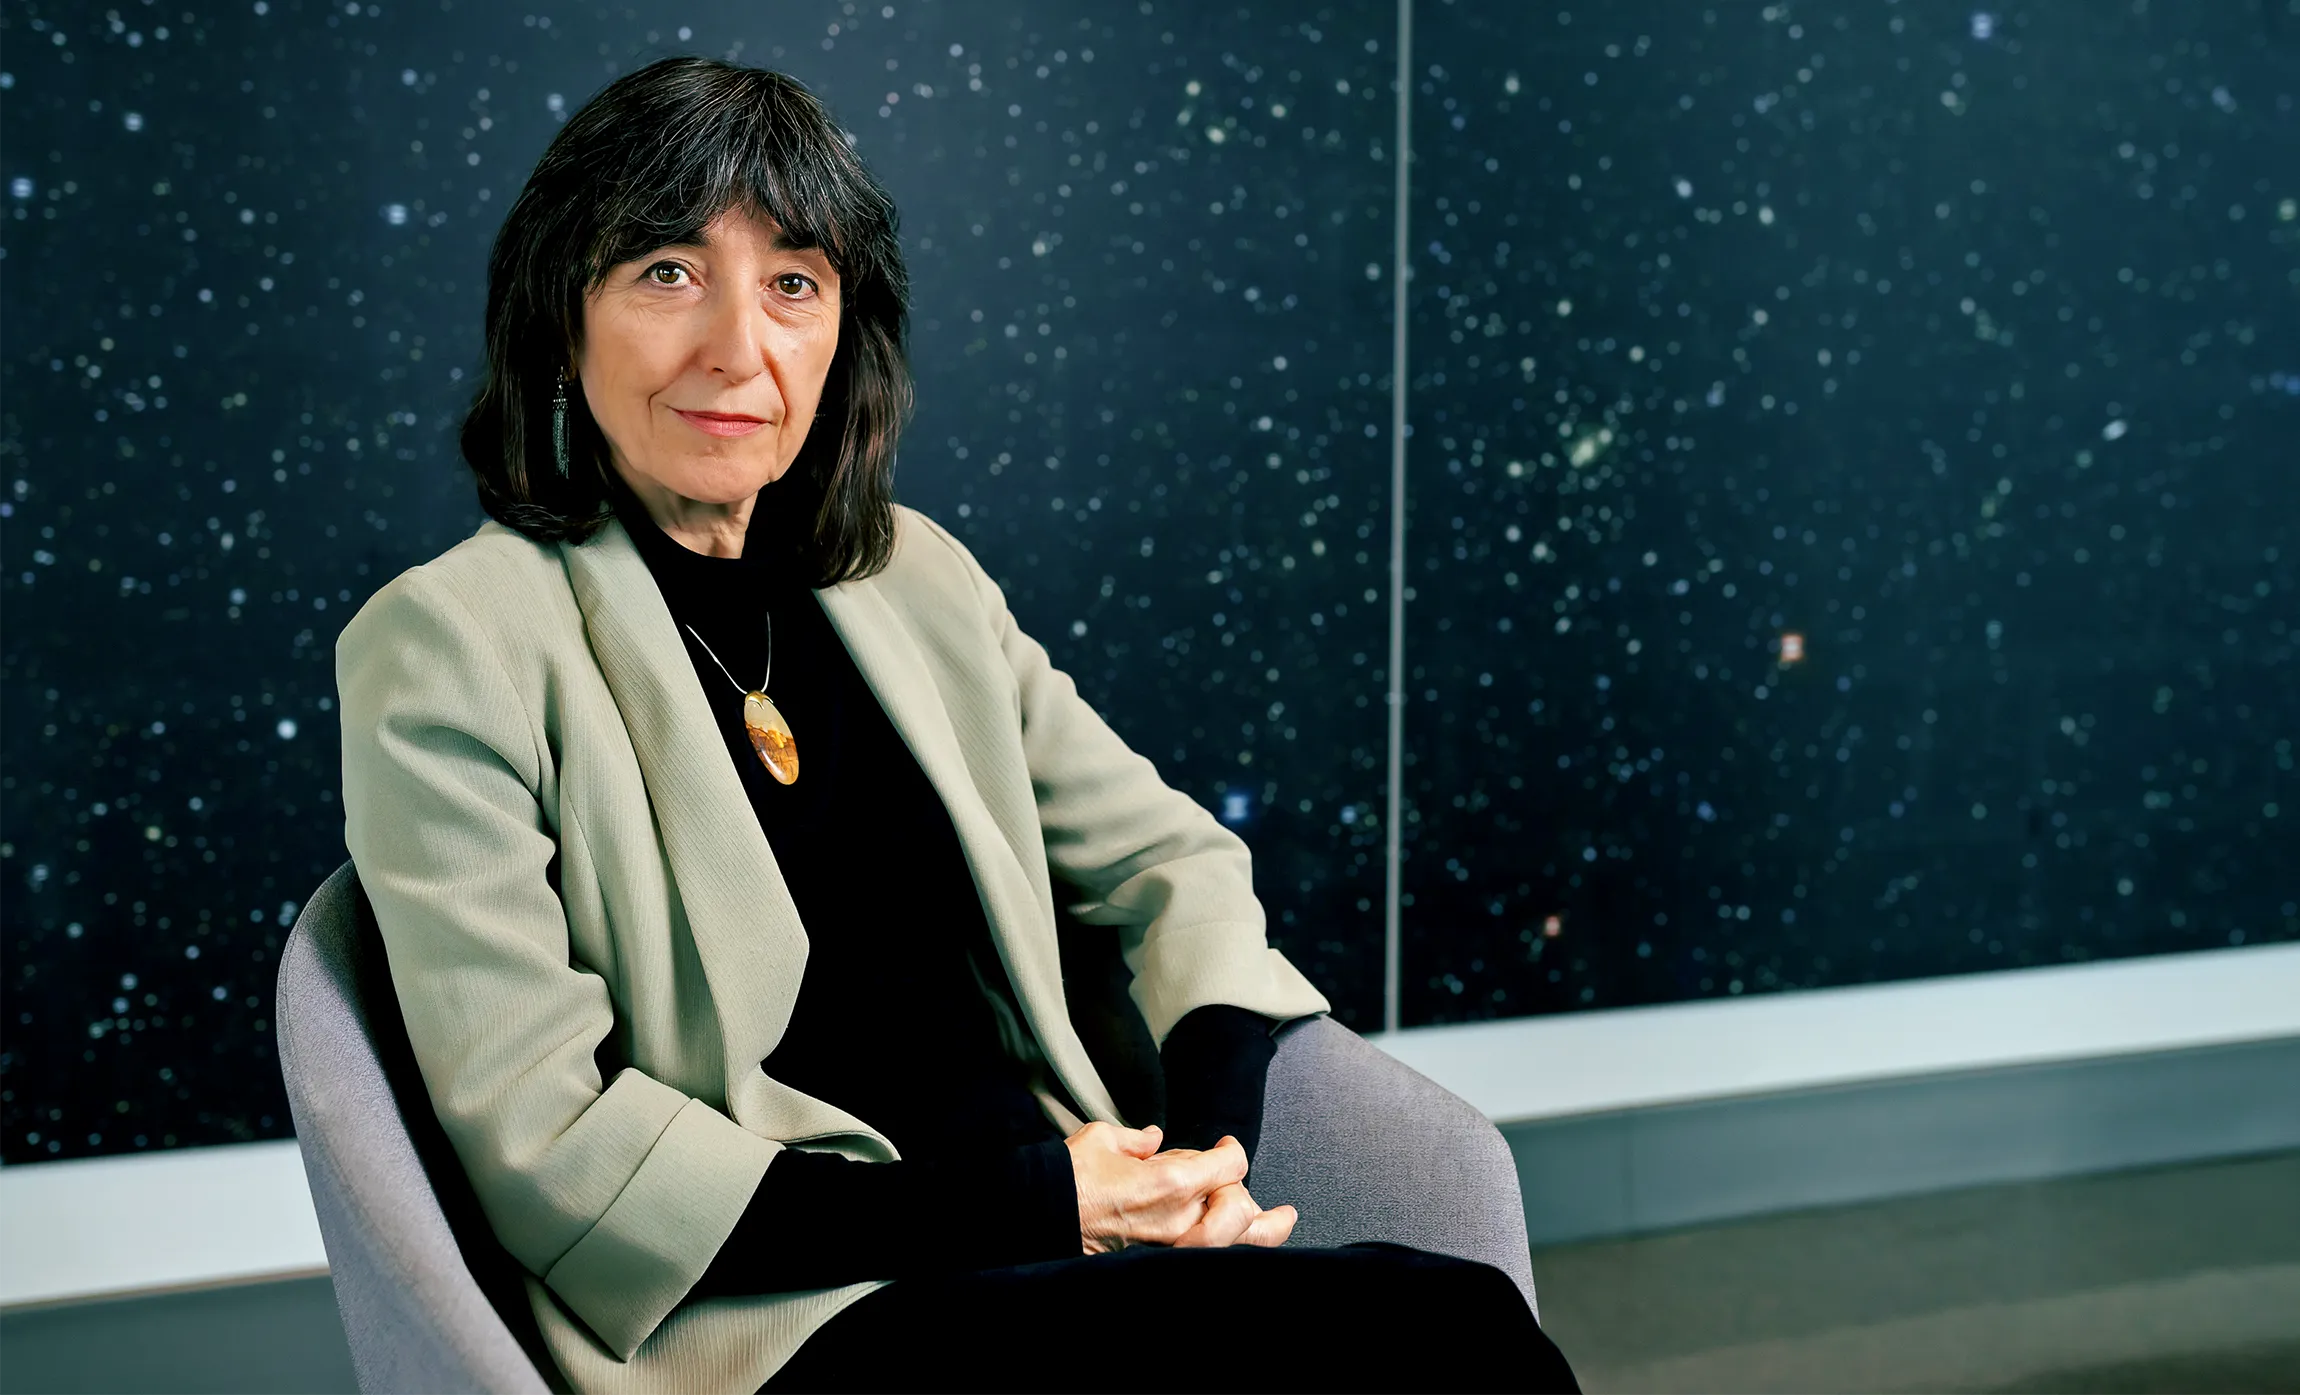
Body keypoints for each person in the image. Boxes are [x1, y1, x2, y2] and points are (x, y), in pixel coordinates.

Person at [335, 54, 1581, 1393]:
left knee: (1451, 1323)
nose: (736, 349)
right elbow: (550, 1147)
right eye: (668, 272)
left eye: (793, 285)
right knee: (1447, 1341)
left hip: (1056, 1234)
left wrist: (1197, 1162)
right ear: (559, 318)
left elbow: (1176, 863)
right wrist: (1051, 1204)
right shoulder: (449, 644)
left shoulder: (910, 578)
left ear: (840, 335)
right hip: (796, 1312)